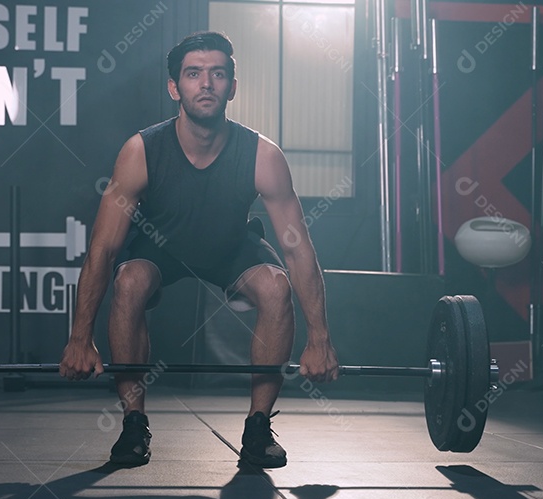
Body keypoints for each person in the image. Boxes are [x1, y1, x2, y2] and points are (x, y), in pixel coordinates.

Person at [59, 31, 338, 468]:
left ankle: (258, 426)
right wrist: (80, 339)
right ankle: (134, 424)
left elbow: (300, 251)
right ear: (175, 87)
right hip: (160, 249)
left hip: (229, 248)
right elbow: (103, 249)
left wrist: (320, 340)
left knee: (276, 286)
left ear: (232, 86)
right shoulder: (141, 151)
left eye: (218, 73)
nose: (206, 83)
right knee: (129, 280)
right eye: (193, 74)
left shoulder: (263, 156)